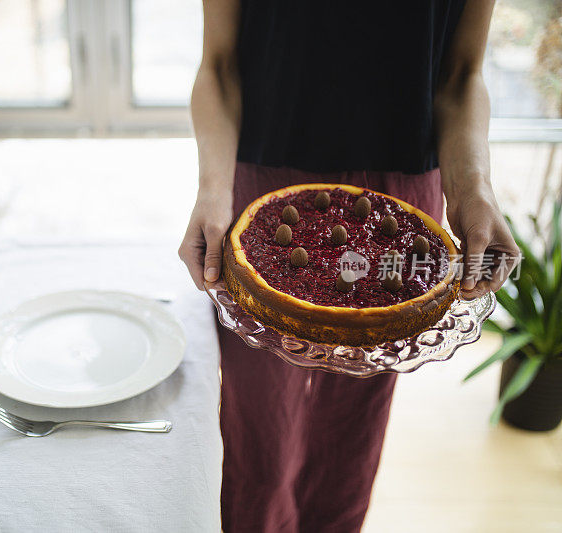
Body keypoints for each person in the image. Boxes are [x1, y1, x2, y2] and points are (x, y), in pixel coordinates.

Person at [178, 1, 520, 531]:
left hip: (401, 206)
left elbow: (459, 74)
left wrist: (473, 192)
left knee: (353, 432)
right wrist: (212, 191)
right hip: (265, 198)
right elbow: (220, 65)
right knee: (259, 434)